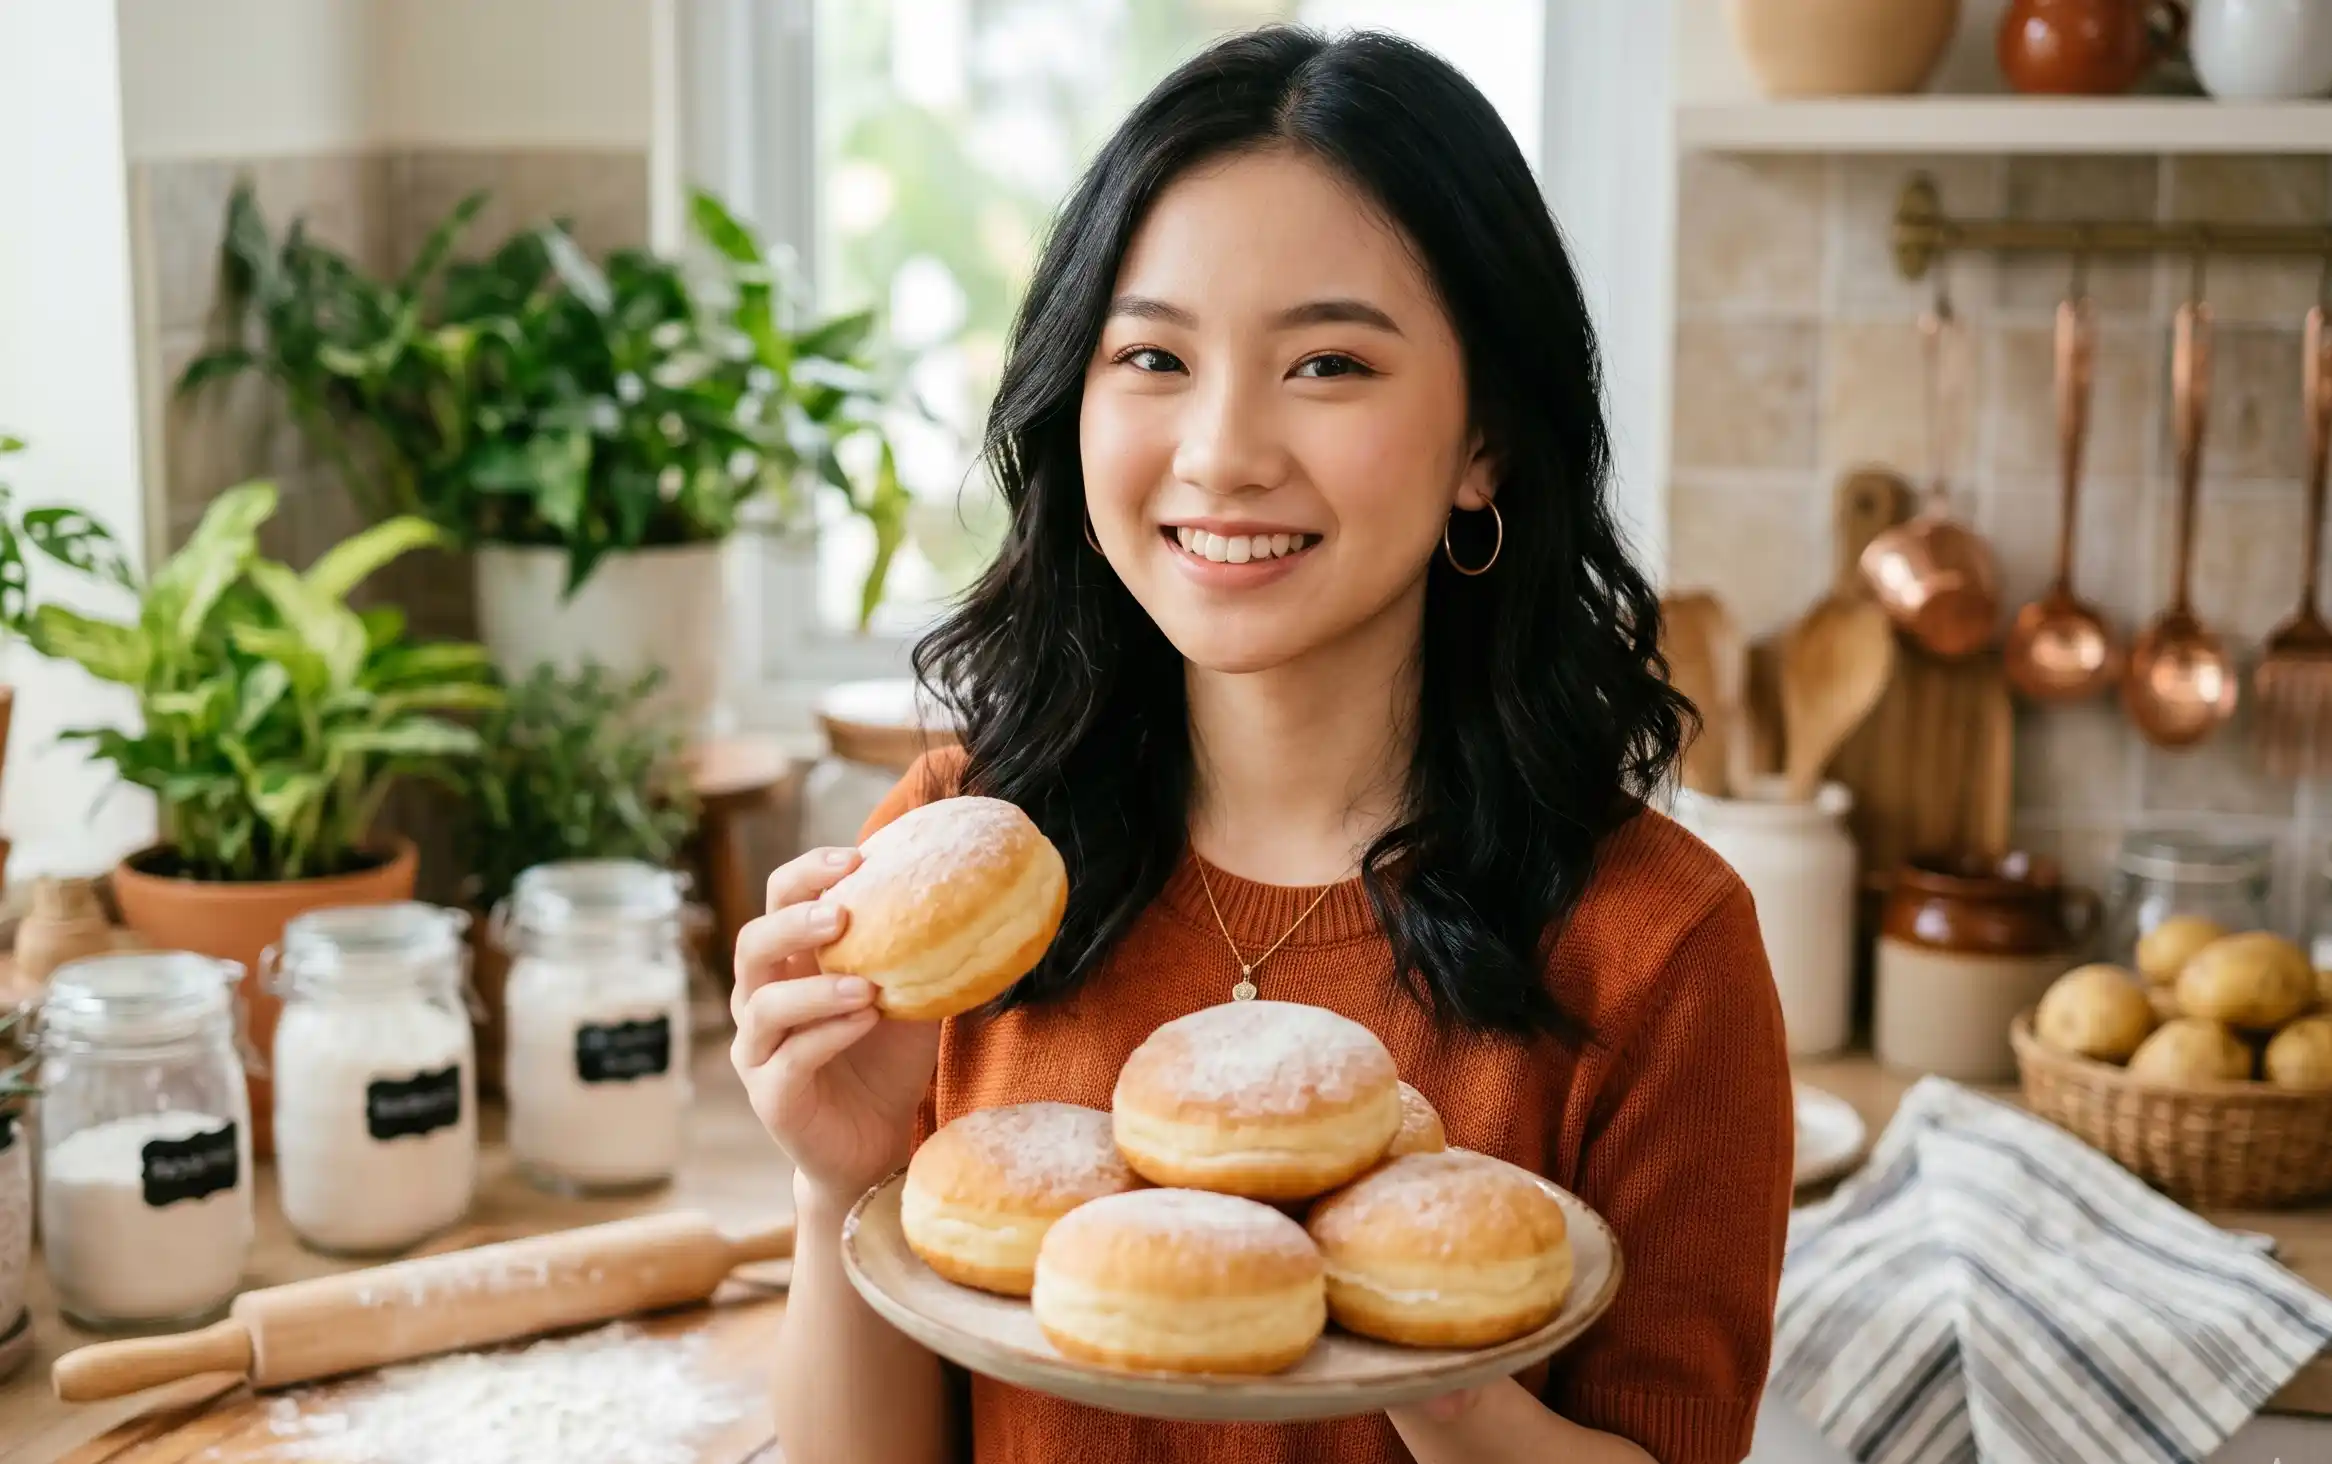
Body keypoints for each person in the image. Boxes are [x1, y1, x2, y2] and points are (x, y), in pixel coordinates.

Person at [731, 24, 1792, 1464]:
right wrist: (837, 1184)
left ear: (1486, 439)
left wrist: (1423, 1344)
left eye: (1329, 363)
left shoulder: (1660, 951)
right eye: (1154, 353)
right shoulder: (949, 877)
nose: (1223, 450)